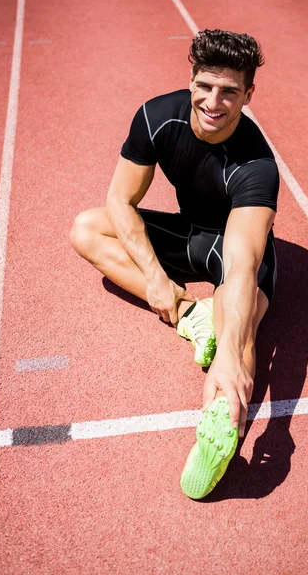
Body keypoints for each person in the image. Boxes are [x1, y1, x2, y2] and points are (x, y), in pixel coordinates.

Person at [70, 29, 279, 499]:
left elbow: (243, 263)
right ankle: (191, 316)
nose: (214, 101)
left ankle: (221, 426)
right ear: (191, 80)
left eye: (229, 91)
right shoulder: (157, 117)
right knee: (86, 228)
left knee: (236, 321)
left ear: (248, 94)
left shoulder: (258, 166)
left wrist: (229, 352)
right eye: (205, 85)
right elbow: (120, 201)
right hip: (189, 238)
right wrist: (157, 282)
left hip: (235, 250)